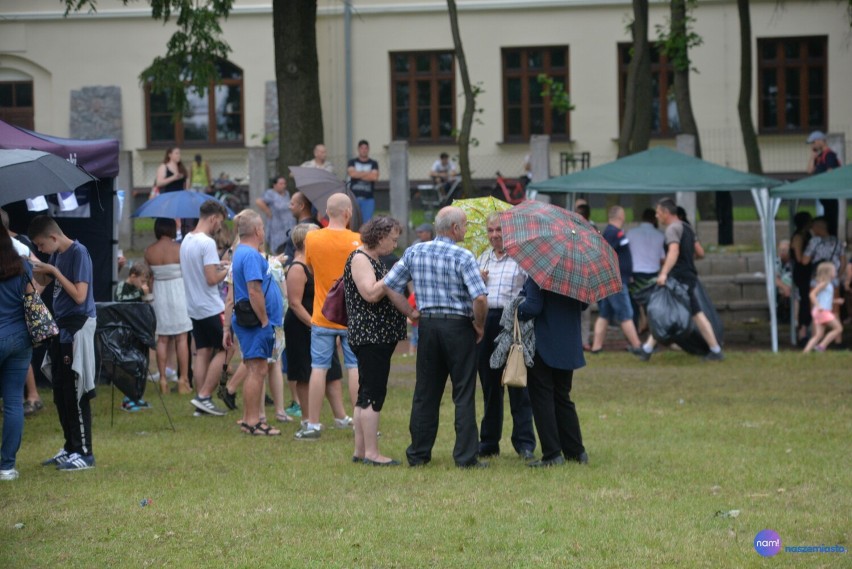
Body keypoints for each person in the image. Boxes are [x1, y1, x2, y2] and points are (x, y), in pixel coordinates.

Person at [382, 206, 488, 469]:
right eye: (464, 225)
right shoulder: (463, 256)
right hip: (458, 327)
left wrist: (411, 311)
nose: (465, 229)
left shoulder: (415, 251)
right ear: (454, 229)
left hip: (427, 326)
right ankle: (465, 457)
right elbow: (480, 298)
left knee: (425, 392)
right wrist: (479, 325)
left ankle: (418, 453)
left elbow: (389, 285)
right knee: (463, 392)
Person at [29, 215, 98, 471]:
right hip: (61, 328)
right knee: (60, 390)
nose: (40, 250)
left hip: (78, 326)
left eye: (41, 245)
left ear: (53, 237)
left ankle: (85, 453)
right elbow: (43, 283)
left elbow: (80, 296)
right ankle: (71, 447)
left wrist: (54, 271)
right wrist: (35, 270)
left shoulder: (78, 252)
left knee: (76, 390)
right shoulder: (56, 254)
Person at [344, 216, 410, 465]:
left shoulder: (372, 258)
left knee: (365, 393)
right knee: (373, 394)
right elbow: (370, 293)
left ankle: (361, 451)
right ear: (380, 237)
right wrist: (394, 275)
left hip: (375, 336)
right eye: (392, 240)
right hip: (371, 336)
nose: (394, 245)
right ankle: (372, 453)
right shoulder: (361, 258)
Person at [294, 193, 362, 440]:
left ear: (326, 212)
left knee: (318, 368)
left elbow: (311, 268)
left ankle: (312, 424)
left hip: (323, 314)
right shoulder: (358, 240)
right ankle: (360, 422)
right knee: (355, 366)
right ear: (347, 213)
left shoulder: (312, 238)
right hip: (352, 315)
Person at [476, 213, 536, 460]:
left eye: (499, 230)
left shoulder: (523, 260)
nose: (494, 235)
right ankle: (489, 442)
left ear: (510, 231)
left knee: (517, 382)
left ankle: (524, 443)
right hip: (486, 320)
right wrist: (478, 281)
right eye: (490, 230)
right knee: (489, 385)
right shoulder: (480, 259)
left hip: (513, 324)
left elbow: (530, 293)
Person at [637, 198, 724, 362]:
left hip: (678, 279)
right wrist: (686, 259)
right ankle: (647, 349)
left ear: (666, 212)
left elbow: (673, 251)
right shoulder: (687, 228)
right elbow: (700, 252)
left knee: (665, 310)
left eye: (658, 212)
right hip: (689, 276)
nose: (656, 216)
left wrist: (664, 273)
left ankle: (715, 350)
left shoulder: (672, 229)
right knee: (678, 312)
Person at [516, 277, 588, 467]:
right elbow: (583, 306)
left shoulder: (539, 274)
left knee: (543, 399)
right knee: (563, 397)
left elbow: (533, 306)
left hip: (544, 343)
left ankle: (552, 454)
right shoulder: (576, 277)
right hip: (569, 344)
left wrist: (515, 308)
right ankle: (576, 452)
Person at [225, 210, 284, 435]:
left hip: (250, 320)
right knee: (257, 370)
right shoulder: (250, 255)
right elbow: (254, 289)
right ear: (258, 231)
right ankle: (252, 421)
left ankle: (249, 418)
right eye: (263, 228)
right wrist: (264, 319)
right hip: (255, 322)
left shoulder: (242, 252)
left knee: (254, 368)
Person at [180, 200, 231, 416]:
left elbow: (202, 271)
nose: (219, 227)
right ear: (213, 218)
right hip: (211, 306)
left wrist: (220, 265)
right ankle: (205, 396)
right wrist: (228, 271)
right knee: (227, 347)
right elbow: (211, 279)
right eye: (219, 222)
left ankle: (201, 402)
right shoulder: (207, 243)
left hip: (194, 305)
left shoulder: (187, 240)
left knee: (203, 352)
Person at [0, 223, 34, 481]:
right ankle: (7, 466)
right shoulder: (22, 266)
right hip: (20, 337)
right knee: (13, 402)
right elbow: (34, 297)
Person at [144, 218, 193, 395]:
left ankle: (163, 379)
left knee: (162, 339)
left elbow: (149, 278)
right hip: (178, 291)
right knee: (181, 338)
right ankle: (183, 380)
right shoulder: (180, 249)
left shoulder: (149, 251)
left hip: (160, 294)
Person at [590, 206, 643, 354]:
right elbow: (606, 254)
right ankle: (638, 346)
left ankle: (596, 347)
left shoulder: (612, 232)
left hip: (613, 279)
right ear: (620, 216)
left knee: (604, 315)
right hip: (616, 281)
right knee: (626, 314)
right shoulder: (613, 232)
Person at [626, 208, 665, 333]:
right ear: (654, 219)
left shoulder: (631, 233)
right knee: (652, 306)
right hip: (653, 276)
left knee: (633, 306)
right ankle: (653, 333)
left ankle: (634, 335)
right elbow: (662, 258)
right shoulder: (660, 235)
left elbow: (626, 254)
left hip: (634, 275)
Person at [802, 262, 844, 353]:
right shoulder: (824, 283)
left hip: (819, 311)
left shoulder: (828, 284)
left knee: (818, 335)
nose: (835, 272)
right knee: (838, 328)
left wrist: (836, 301)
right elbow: (812, 294)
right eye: (834, 271)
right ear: (828, 272)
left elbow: (824, 299)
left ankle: (805, 352)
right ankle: (821, 346)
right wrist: (818, 306)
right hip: (822, 311)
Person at [806, 131, 840, 237]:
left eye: (814, 142)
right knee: (825, 218)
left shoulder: (829, 155)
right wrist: (812, 157)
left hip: (829, 193)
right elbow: (809, 171)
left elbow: (830, 172)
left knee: (830, 221)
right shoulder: (819, 156)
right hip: (822, 193)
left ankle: (832, 241)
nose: (812, 145)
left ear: (821, 141)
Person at [255, 176, 295, 255]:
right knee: (279, 249)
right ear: (274, 185)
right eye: (281, 184)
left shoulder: (286, 193)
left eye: (284, 183)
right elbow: (258, 201)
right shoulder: (270, 193)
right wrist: (268, 212)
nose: (283, 185)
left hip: (288, 226)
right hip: (277, 226)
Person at [790, 211, 814, 343]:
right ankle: (802, 331)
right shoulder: (799, 237)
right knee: (804, 300)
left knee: (807, 300)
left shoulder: (808, 235)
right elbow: (799, 257)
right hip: (802, 272)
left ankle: (806, 328)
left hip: (807, 271)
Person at [347, 139, 379, 222]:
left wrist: (358, 174)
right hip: (354, 198)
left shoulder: (373, 163)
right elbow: (352, 174)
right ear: (358, 149)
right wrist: (368, 173)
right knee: (353, 221)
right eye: (362, 148)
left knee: (366, 223)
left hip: (368, 198)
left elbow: (374, 177)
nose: (364, 150)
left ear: (368, 149)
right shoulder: (352, 162)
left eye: (366, 148)